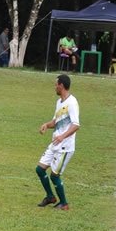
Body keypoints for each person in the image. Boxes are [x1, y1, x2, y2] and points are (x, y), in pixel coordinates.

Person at [35, 74, 80, 210]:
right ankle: (50, 197)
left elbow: (76, 124)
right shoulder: (59, 102)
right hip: (55, 143)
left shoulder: (72, 102)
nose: (55, 87)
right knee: (40, 169)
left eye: (56, 85)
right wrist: (47, 125)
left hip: (65, 147)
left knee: (54, 176)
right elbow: (56, 122)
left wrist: (63, 136)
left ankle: (64, 203)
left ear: (61, 85)